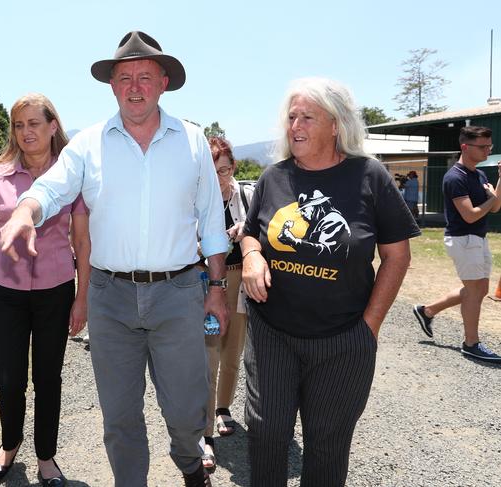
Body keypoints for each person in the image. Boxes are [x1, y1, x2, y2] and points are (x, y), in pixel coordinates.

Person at [0, 32, 229, 487]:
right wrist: (25, 210)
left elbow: (211, 222)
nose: (135, 86)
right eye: (125, 77)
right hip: (110, 296)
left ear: (164, 82)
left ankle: (188, 463)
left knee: (185, 410)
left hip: (179, 291)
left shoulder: (194, 141)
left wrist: (217, 289)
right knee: (120, 417)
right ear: (111, 86)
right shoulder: (87, 144)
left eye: (145, 76)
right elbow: (51, 187)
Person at [240, 77, 420, 486]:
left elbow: (397, 255)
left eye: (307, 117)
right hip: (273, 332)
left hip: (343, 339)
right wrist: (251, 254)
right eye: (291, 117)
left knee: (327, 445)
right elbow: (252, 230)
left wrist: (369, 327)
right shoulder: (274, 177)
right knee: (266, 433)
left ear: (336, 125)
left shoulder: (369, 175)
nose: (295, 126)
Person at [0, 93, 90, 486]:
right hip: (5, 292)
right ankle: (9, 445)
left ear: (53, 126)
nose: (26, 133)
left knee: (48, 378)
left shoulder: (71, 176)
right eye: (19, 125)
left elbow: (83, 242)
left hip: (56, 292)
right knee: (8, 377)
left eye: (34, 124)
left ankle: (46, 457)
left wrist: (81, 297)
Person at [413, 126, 501, 362]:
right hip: (463, 239)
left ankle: (427, 310)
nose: (487, 150)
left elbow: (494, 207)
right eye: (482, 146)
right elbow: (471, 215)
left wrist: (500, 181)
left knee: (479, 289)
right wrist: (492, 198)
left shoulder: (479, 175)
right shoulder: (455, 177)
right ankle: (471, 343)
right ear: (465, 147)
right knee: (474, 290)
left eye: (489, 146)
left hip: (478, 239)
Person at [200, 137, 253, 473]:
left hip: (239, 279)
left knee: (233, 350)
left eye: (224, 170)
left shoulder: (246, 194)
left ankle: (223, 408)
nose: (219, 177)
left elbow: (261, 228)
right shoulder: (196, 196)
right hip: (207, 282)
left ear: (233, 167)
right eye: (213, 170)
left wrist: (244, 228)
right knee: (209, 352)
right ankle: (205, 432)